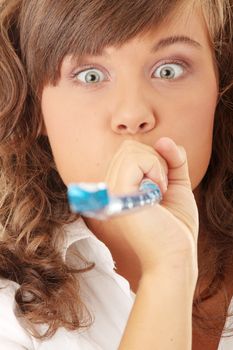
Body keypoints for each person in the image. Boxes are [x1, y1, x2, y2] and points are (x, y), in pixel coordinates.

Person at [0, 0, 233, 349]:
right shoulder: (9, 307)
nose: (134, 113)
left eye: (169, 69)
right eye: (90, 75)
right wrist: (168, 269)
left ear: (221, 86)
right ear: (35, 109)